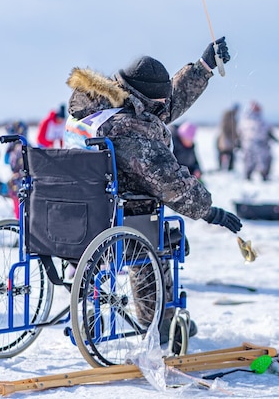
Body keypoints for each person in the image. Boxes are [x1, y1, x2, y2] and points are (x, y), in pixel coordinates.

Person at [64, 37, 241, 342]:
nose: (163, 106)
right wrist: (211, 212)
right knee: (159, 239)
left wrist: (203, 67)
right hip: (115, 218)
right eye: (159, 101)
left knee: (146, 228)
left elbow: (163, 106)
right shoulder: (130, 130)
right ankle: (157, 319)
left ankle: (96, 304)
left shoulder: (99, 106)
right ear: (144, 97)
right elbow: (172, 184)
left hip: (67, 213)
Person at [238, 101, 279, 181]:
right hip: (261, 145)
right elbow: (268, 132)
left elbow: (239, 133)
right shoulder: (261, 121)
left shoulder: (243, 121)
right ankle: (264, 176)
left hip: (247, 145)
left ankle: (248, 176)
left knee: (249, 161)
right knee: (264, 161)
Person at [216, 103, 240, 171]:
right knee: (224, 152)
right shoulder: (229, 116)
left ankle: (229, 168)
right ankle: (223, 168)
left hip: (227, 139)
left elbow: (234, 130)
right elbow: (226, 128)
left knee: (228, 153)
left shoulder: (232, 117)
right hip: (225, 138)